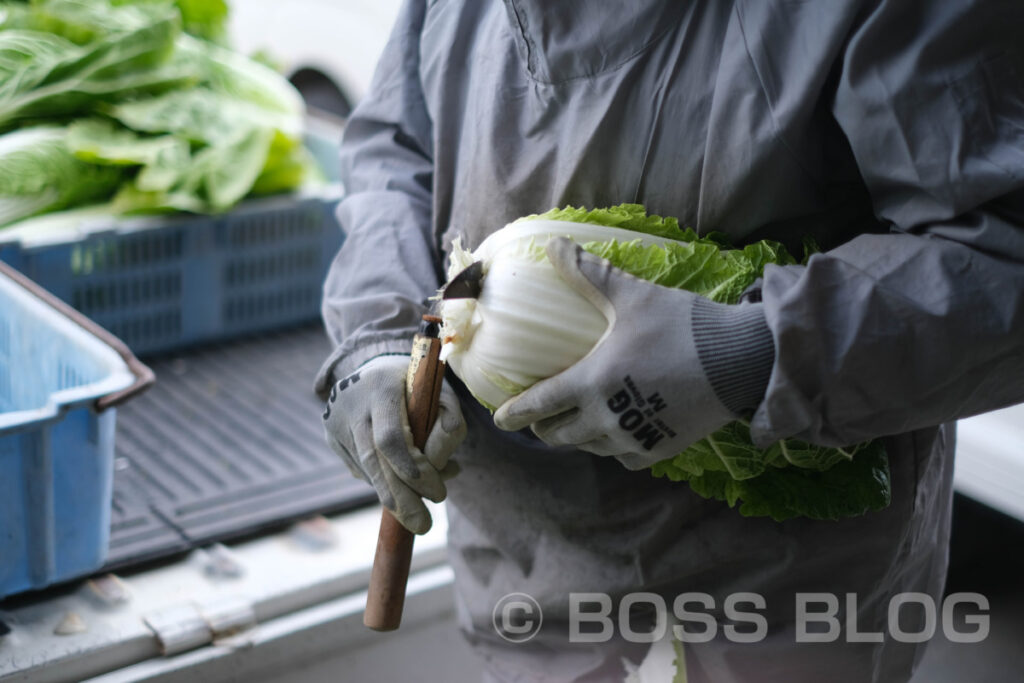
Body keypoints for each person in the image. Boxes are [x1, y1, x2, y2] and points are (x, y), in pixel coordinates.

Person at [317, 1, 1024, 681]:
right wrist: (375, 339)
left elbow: (1001, 254)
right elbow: (395, 149)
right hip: (523, 585)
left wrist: (752, 350)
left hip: (776, 618)